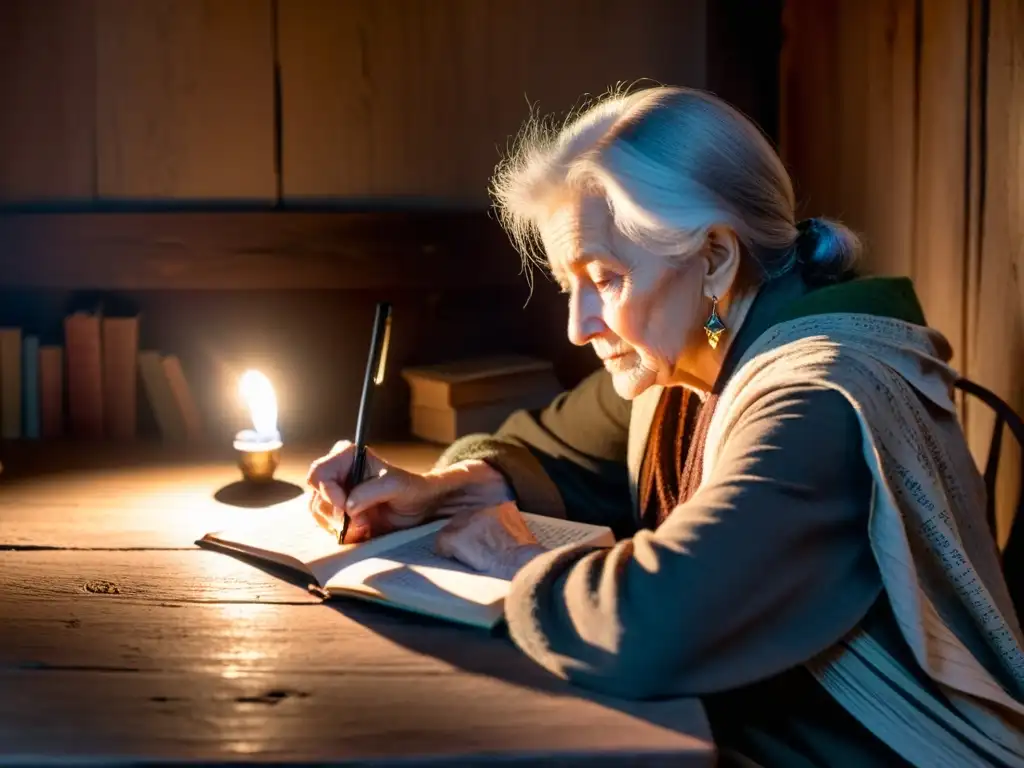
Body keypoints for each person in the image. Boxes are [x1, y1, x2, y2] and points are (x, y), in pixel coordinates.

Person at [307, 86, 1024, 766]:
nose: (579, 327)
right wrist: (447, 489)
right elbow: (554, 448)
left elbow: (655, 624)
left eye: (606, 279)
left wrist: (516, 564)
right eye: (569, 286)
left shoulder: (815, 402)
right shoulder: (695, 353)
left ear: (714, 258)